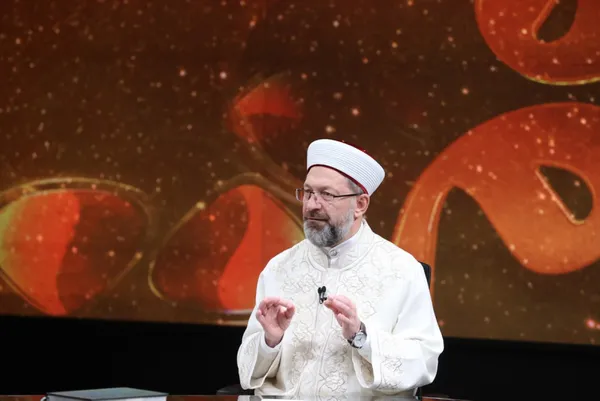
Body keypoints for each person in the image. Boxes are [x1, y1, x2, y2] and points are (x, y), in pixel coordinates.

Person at [236, 138, 444, 398]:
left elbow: (424, 361)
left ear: (360, 205)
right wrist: (270, 341)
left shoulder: (402, 270)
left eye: (327, 194)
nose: (312, 205)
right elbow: (246, 370)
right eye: (308, 192)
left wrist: (361, 337)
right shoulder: (279, 268)